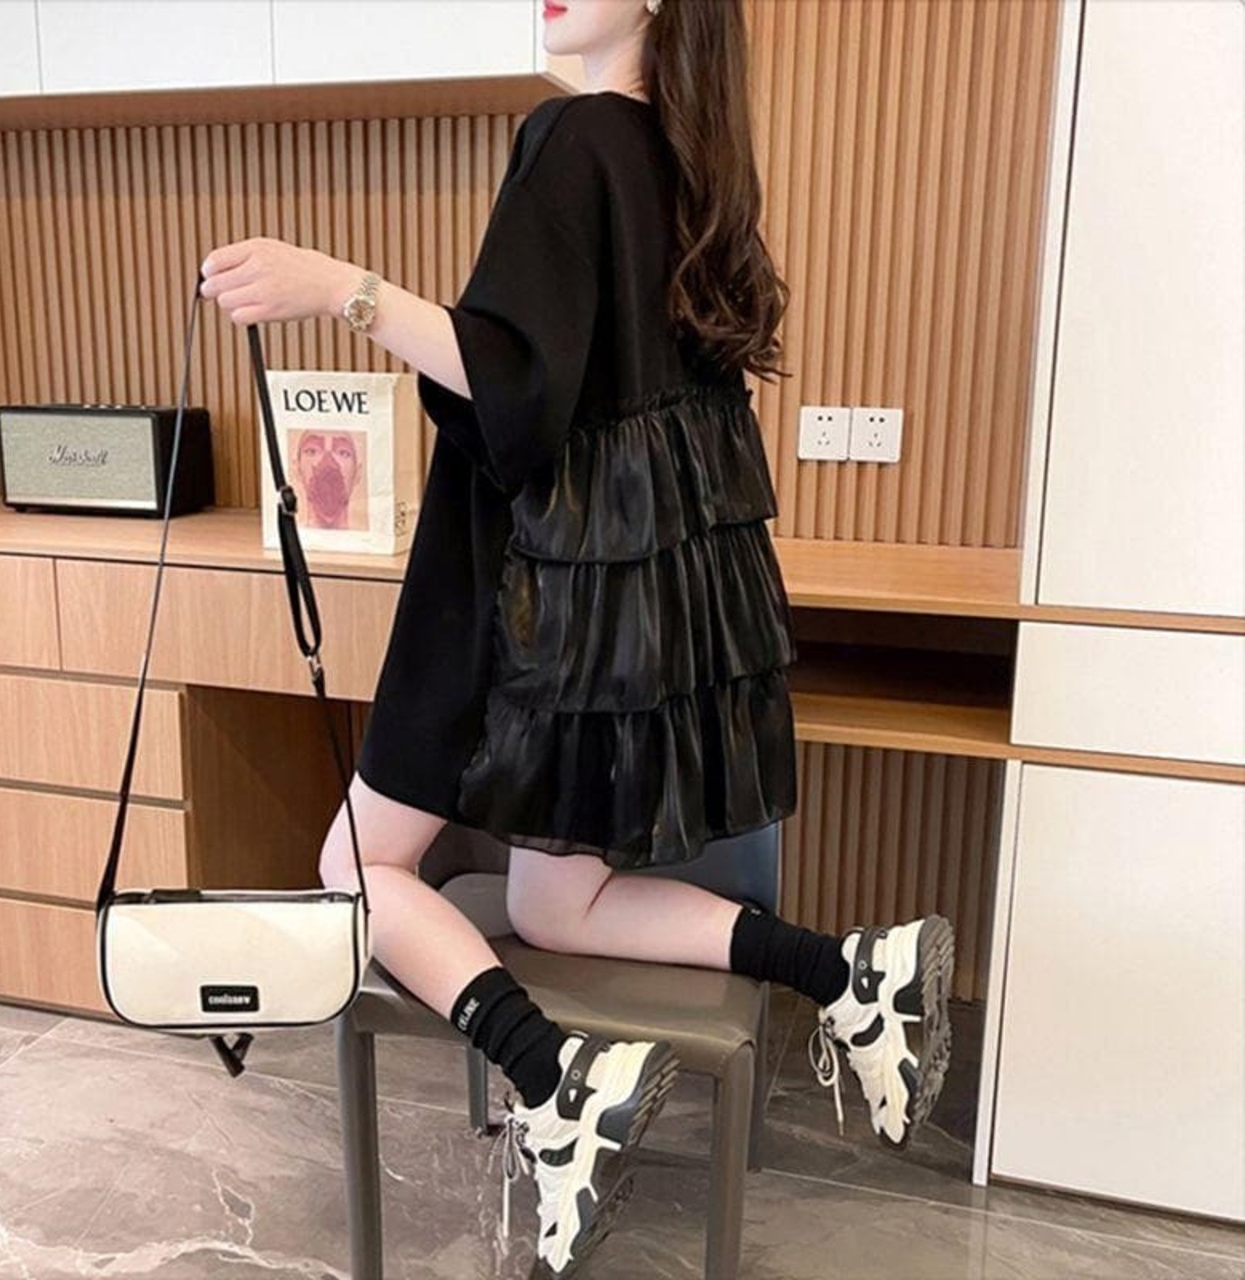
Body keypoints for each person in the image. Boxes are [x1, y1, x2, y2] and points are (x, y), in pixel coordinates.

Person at [200, 1, 955, 1274]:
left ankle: (553, 1080)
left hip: (515, 610)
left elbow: (516, 378)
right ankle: (843, 971)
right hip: (622, 628)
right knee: (556, 900)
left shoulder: (575, 133)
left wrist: (340, 289)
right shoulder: (691, 157)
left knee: (354, 868)